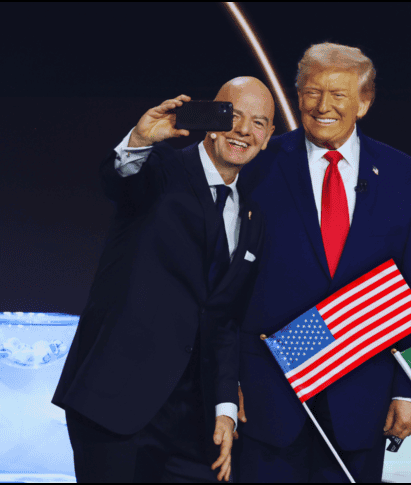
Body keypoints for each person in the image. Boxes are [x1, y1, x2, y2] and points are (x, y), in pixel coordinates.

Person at [52, 77, 275, 482]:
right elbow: (119, 178)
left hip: (194, 423)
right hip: (114, 404)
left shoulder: (253, 218)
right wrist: (139, 139)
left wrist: (225, 409)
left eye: (258, 122)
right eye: (233, 115)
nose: (244, 130)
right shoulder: (161, 169)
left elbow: (224, 319)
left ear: (269, 135)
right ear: (211, 116)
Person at [234, 42, 411, 483]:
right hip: (268, 392)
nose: (323, 106)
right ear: (297, 95)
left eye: (339, 95)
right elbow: (228, 283)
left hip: (361, 398)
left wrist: (409, 392)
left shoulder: (405, 176)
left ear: (364, 102)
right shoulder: (259, 163)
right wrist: (227, 381)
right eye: (311, 92)